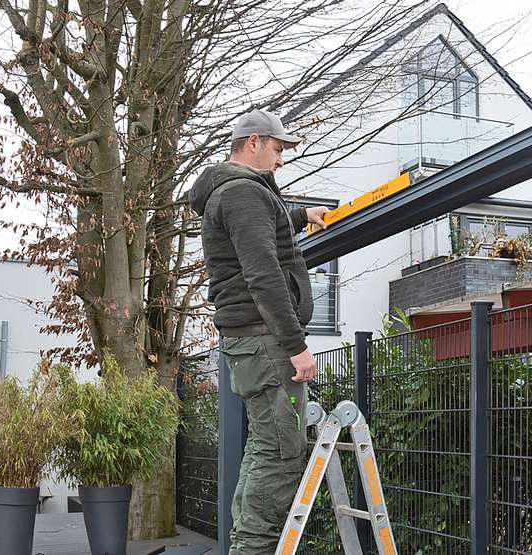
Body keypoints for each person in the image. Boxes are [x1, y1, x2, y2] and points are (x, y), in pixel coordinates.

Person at [189, 109, 329, 554]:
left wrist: (303, 214)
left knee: (263, 446)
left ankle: (244, 544)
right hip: (267, 340)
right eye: (277, 148)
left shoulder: (233, 193)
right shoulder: (243, 195)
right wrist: (297, 345)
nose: (282, 158)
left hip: (249, 340)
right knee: (283, 453)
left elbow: (265, 226)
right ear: (253, 142)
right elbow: (263, 274)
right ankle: (254, 548)